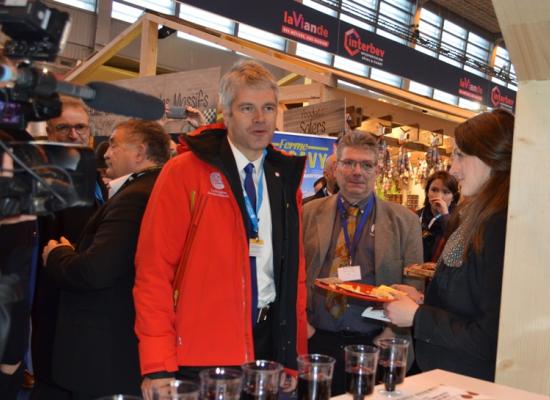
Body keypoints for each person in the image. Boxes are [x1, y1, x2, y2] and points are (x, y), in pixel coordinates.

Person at [133, 60, 308, 399]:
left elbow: (293, 275)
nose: (260, 118)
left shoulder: (285, 179)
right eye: (247, 108)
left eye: (268, 108)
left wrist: (291, 352)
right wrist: (157, 365)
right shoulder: (184, 172)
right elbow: (153, 272)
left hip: (267, 346)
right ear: (225, 114)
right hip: (202, 353)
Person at [40, 120, 171, 399]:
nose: (106, 153)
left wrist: (58, 255)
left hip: (106, 355)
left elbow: (96, 271)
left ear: (139, 152)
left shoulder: (135, 197)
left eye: (114, 144)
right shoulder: (157, 189)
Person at [385, 109, 514, 381]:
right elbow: (469, 300)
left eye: (460, 155)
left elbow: (491, 337)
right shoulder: (474, 217)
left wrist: (419, 317)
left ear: (490, 156)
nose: (453, 169)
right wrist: (423, 300)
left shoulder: (499, 226)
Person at [302, 130, 423, 395]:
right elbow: (290, 276)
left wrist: (392, 332)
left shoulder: (405, 222)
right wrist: (303, 326)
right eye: (349, 163)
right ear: (336, 168)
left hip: (377, 343)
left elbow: (413, 284)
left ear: (376, 169)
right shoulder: (308, 214)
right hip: (317, 339)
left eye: (366, 165)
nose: (357, 171)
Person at [32, 98, 107, 400]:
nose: (72, 134)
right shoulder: (35, 176)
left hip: (85, 296)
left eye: (80, 127)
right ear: (49, 130)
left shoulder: (92, 175)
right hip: (48, 295)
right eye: (63, 128)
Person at [417, 171, 460, 262]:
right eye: (434, 190)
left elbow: (457, 249)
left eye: (446, 192)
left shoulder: (459, 220)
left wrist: (445, 215)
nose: (439, 196)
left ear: (453, 197)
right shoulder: (416, 216)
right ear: (427, 192)